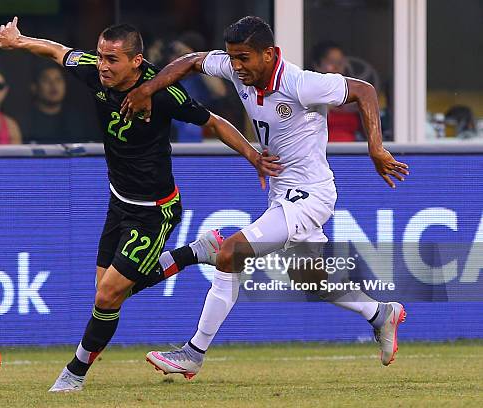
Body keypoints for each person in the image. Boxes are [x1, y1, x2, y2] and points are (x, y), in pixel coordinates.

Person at [0, 17, 279, 392]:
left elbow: (215, 122)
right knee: (105, 294)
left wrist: (254, 157)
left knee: (109, 294)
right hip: (118, 201)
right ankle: (195, 252)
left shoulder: (162, 92)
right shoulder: (94, 71)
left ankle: (72, 376)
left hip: (154, 210)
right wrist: (20, 40)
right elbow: (58, 52)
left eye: (112, 59)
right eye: (101, 56)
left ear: (136, 61)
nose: (103, 66)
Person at [121, 16, 409, 377]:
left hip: (310, 195)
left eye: (244, 58)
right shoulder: (235, 67)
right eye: (232, 58)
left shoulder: (302, 84)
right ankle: (382, 313)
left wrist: (376, 149)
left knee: (230, 252)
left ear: (270, 54)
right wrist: (148, 89)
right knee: (310, 278)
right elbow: (193, 61)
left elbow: (364, 90)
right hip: (282, 191)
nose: (236, 67)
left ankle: (193, 353)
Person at [24, 66, 102, 143]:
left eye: (58, 80)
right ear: (34, 87)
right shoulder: (26, 121)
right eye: (46, 80)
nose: (53, 85)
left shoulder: (78, 120)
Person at [311, 41, 363, 142]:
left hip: (352, 153)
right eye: (331, 62)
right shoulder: (309, 95)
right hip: (322, 153)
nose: (337, 67)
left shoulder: (349, 94)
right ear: (317, 65)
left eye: (340, 63)